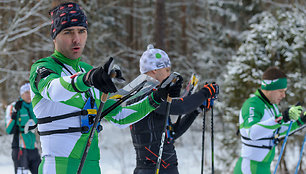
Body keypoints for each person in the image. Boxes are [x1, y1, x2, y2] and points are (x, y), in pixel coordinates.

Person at [29, 2, 181, 174]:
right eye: (68, 32)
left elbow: (120, 116)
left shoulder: (87, 70)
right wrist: (86, 79)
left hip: (92, 166)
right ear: (54, 36)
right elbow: (53, 90)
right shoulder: (44, 67)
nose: (76, 39)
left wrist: (156, 98)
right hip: (58, 167)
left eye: (82, 31)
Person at [123, 45, 218, 174]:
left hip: (165, 167)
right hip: (154, 169)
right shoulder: (146, 93)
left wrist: (197, 110)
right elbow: (181, 107)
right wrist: (205, 93)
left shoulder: (152, 92)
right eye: (167, 70)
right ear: (154, 70)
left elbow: (171, 134)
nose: (169, 75)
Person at [233, 66, 306, 174]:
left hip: (264, 167)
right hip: (250, 167)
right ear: (270, 88)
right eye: (281, 91)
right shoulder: (253, 104)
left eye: (285, 91)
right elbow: (252, 132)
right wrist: (282, 118)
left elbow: (277, 130)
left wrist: (301, 121)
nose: (283, 95)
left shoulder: (272, 106)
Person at [5, 82, 41, 174]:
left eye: (31, 92)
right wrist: (14, 114)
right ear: (21, 94)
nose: (29, 95)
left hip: (34, 148)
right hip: (20, 148)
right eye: (26, 92)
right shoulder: (14, 106)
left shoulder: (35, 106)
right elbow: (9, 130)